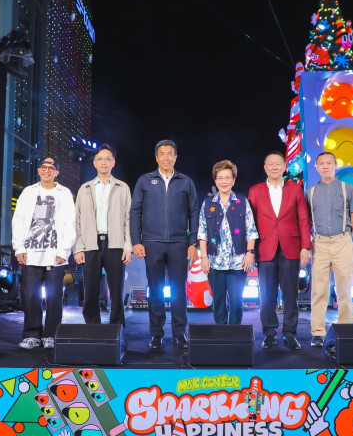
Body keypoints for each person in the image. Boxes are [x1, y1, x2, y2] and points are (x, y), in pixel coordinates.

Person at [130, 140, 199, 350]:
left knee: (179, 290)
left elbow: (194, 212)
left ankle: (179, 333)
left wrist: (192, 242)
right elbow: (135, 212)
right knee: (155, 290)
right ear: (156, 157)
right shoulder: (144, 181)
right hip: (152, 242)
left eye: (170, 154)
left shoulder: (186, 182)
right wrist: (136, 241)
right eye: (162, 154)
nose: (166, 157)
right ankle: (156, 334)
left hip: (179, 242)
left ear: (176, 157)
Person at [248, 151, 311, 350]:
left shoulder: (295, 189)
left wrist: (305, 246)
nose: (274, 167)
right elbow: (250, 223)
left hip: (290, 247)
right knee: (267, 295)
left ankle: (290, 334)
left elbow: (303, 219)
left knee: (291, 293)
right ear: (265, 168)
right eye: (271, 164)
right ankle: (269, 333)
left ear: (284, 167)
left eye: (278, 164)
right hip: (265, 247)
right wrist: (250, 250)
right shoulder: (255, 190)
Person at [12, 156, 76, 349]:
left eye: (51, 167)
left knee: (54, 297)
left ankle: (51, 335)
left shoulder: (64, 193)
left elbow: (70, 223)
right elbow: (18, 220)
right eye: (43, 167)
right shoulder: (28, 192)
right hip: (30, 252)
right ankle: (32, 335)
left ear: (57, 172)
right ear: (39, 170)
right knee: (30, 295)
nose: (46, 170)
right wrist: (19, 247)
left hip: (55, 253)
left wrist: (65, 250)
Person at [74, 144, 133, 327]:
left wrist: (128, 246)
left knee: (116, 290)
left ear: (113, 162)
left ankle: (117, 328)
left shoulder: (122, 187)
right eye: (100, 159)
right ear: (94, 163)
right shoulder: (85, 188)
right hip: (91, 244)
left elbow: (128, 218)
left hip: (115, 244)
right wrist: (78, 248)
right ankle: (92, 328)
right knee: (90, 290)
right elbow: (77, 220)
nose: (104, 162)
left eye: (108, 159)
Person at [307, 151, 353, 348]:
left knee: (344, 290)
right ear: (316, 167)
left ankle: (345, 330)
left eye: (329, 163)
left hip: (342, 242)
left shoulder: (348, 188)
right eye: (321, 163)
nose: (325, 166)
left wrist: (346, 237)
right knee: (319, 290)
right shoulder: (310, 192)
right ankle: (318, 333)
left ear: (335, 166)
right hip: (319, 244)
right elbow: (307, 220)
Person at [198, 160, 259, 325]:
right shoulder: (208, 203)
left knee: (237, 301)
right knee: (218, 301)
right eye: (220, 178)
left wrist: (250, 253)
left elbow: (251, 229)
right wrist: (204, 257)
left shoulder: (242, 202)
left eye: (227, 177)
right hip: (215, 261)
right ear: (215, 180)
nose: (223, 181)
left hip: (238, 262)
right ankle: (221, 332)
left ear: (233, 180)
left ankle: (235, 332)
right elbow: (202, 232)